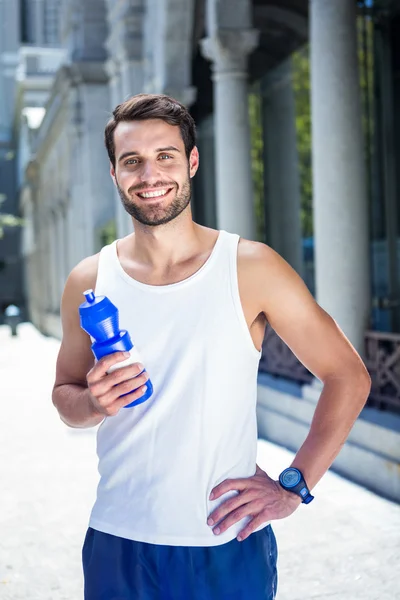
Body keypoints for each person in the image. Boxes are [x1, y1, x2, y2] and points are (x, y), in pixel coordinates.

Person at [52, 94, 371, 600]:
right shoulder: (89, 280)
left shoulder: (249, 266)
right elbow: (65, 397)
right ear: (114, 173)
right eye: (132, 161)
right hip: (116, 540)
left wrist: (295, 483)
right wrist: (91, 403)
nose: (150, 174)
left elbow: (348, 375)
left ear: (192, 161)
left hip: (224, 543)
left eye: (166, 156)